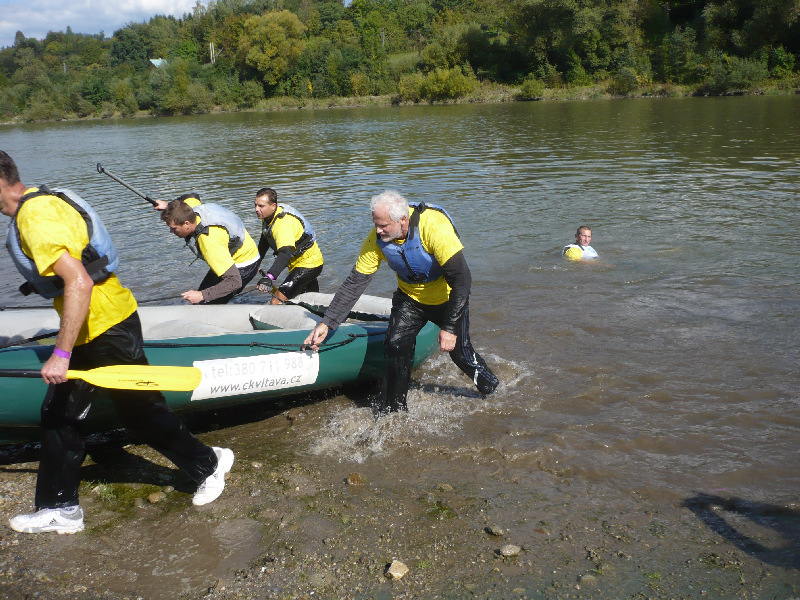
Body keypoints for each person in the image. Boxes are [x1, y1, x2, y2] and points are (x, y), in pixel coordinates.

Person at [0, 151, 233, 534]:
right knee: (60, 414)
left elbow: (79, 282)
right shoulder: (46, 198)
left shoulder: (34, 215)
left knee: (141, 412)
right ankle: (61, 508)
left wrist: (60, 353)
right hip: (99, 321)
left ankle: (210, 463)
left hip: (105, 325)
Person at [302, 190, 499, 414]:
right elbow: (355, 283)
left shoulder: (433, 227)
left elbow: (463, 280)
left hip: (447, 298)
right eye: (376, 224)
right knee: (395, 345)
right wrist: (328, 323)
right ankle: (395, 409)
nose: (378, 230)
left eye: (384, 225)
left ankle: (492, 388)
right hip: (410, 299)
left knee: (461, 354)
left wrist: (450, 327)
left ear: (403, 220)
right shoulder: (376, 239)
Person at [159, 194, 260, 304]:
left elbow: (235, 282)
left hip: (243, 265)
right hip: (236, 252)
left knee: (203, 302)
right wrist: (168, 206)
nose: (171, 232)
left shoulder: (208, 241)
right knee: (201, 299)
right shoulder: (192, 210)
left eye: (174, 228)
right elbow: (192, 196)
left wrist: (202, 295)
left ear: (186, 223)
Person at [253, 188, 324, 304]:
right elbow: (265, 239)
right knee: (310, 301)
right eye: (255, 205)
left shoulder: (282, 224)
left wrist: (269, 277)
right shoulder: (267, 217)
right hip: (298, 265)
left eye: (261, 206)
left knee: (276, 301)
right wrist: (256, 261)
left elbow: (285, 254)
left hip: (308, 265)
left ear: (273, 206)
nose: (256, 209)